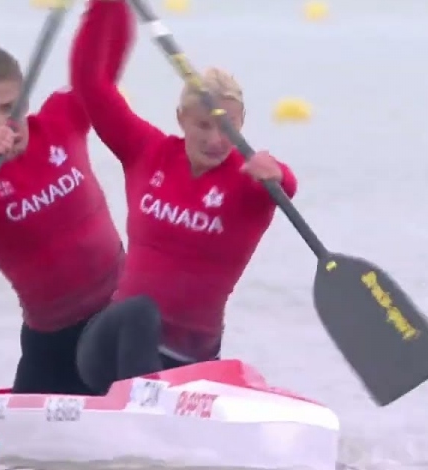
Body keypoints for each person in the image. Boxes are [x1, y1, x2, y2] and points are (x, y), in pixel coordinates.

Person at [70, 0, 299, 394]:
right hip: (110, 348)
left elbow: (288, 185)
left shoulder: (252, 184)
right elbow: (92, 84)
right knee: (141, 311)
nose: (214, 140)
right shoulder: (147, 151)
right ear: (181, 119)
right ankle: (140, 409)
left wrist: (281, 175)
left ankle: (154, 416)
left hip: (191, 361)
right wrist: (104, 7)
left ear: (242, 124)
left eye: (227, 128)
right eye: (203, 126)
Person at [0, 45, 153, 395]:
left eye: (9, 107)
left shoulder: (59, 119)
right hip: (49, 338)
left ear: (25, 98)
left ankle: (149, 408)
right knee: (21, 450)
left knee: (141, 311)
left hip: (116, 312)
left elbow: (99, 66)